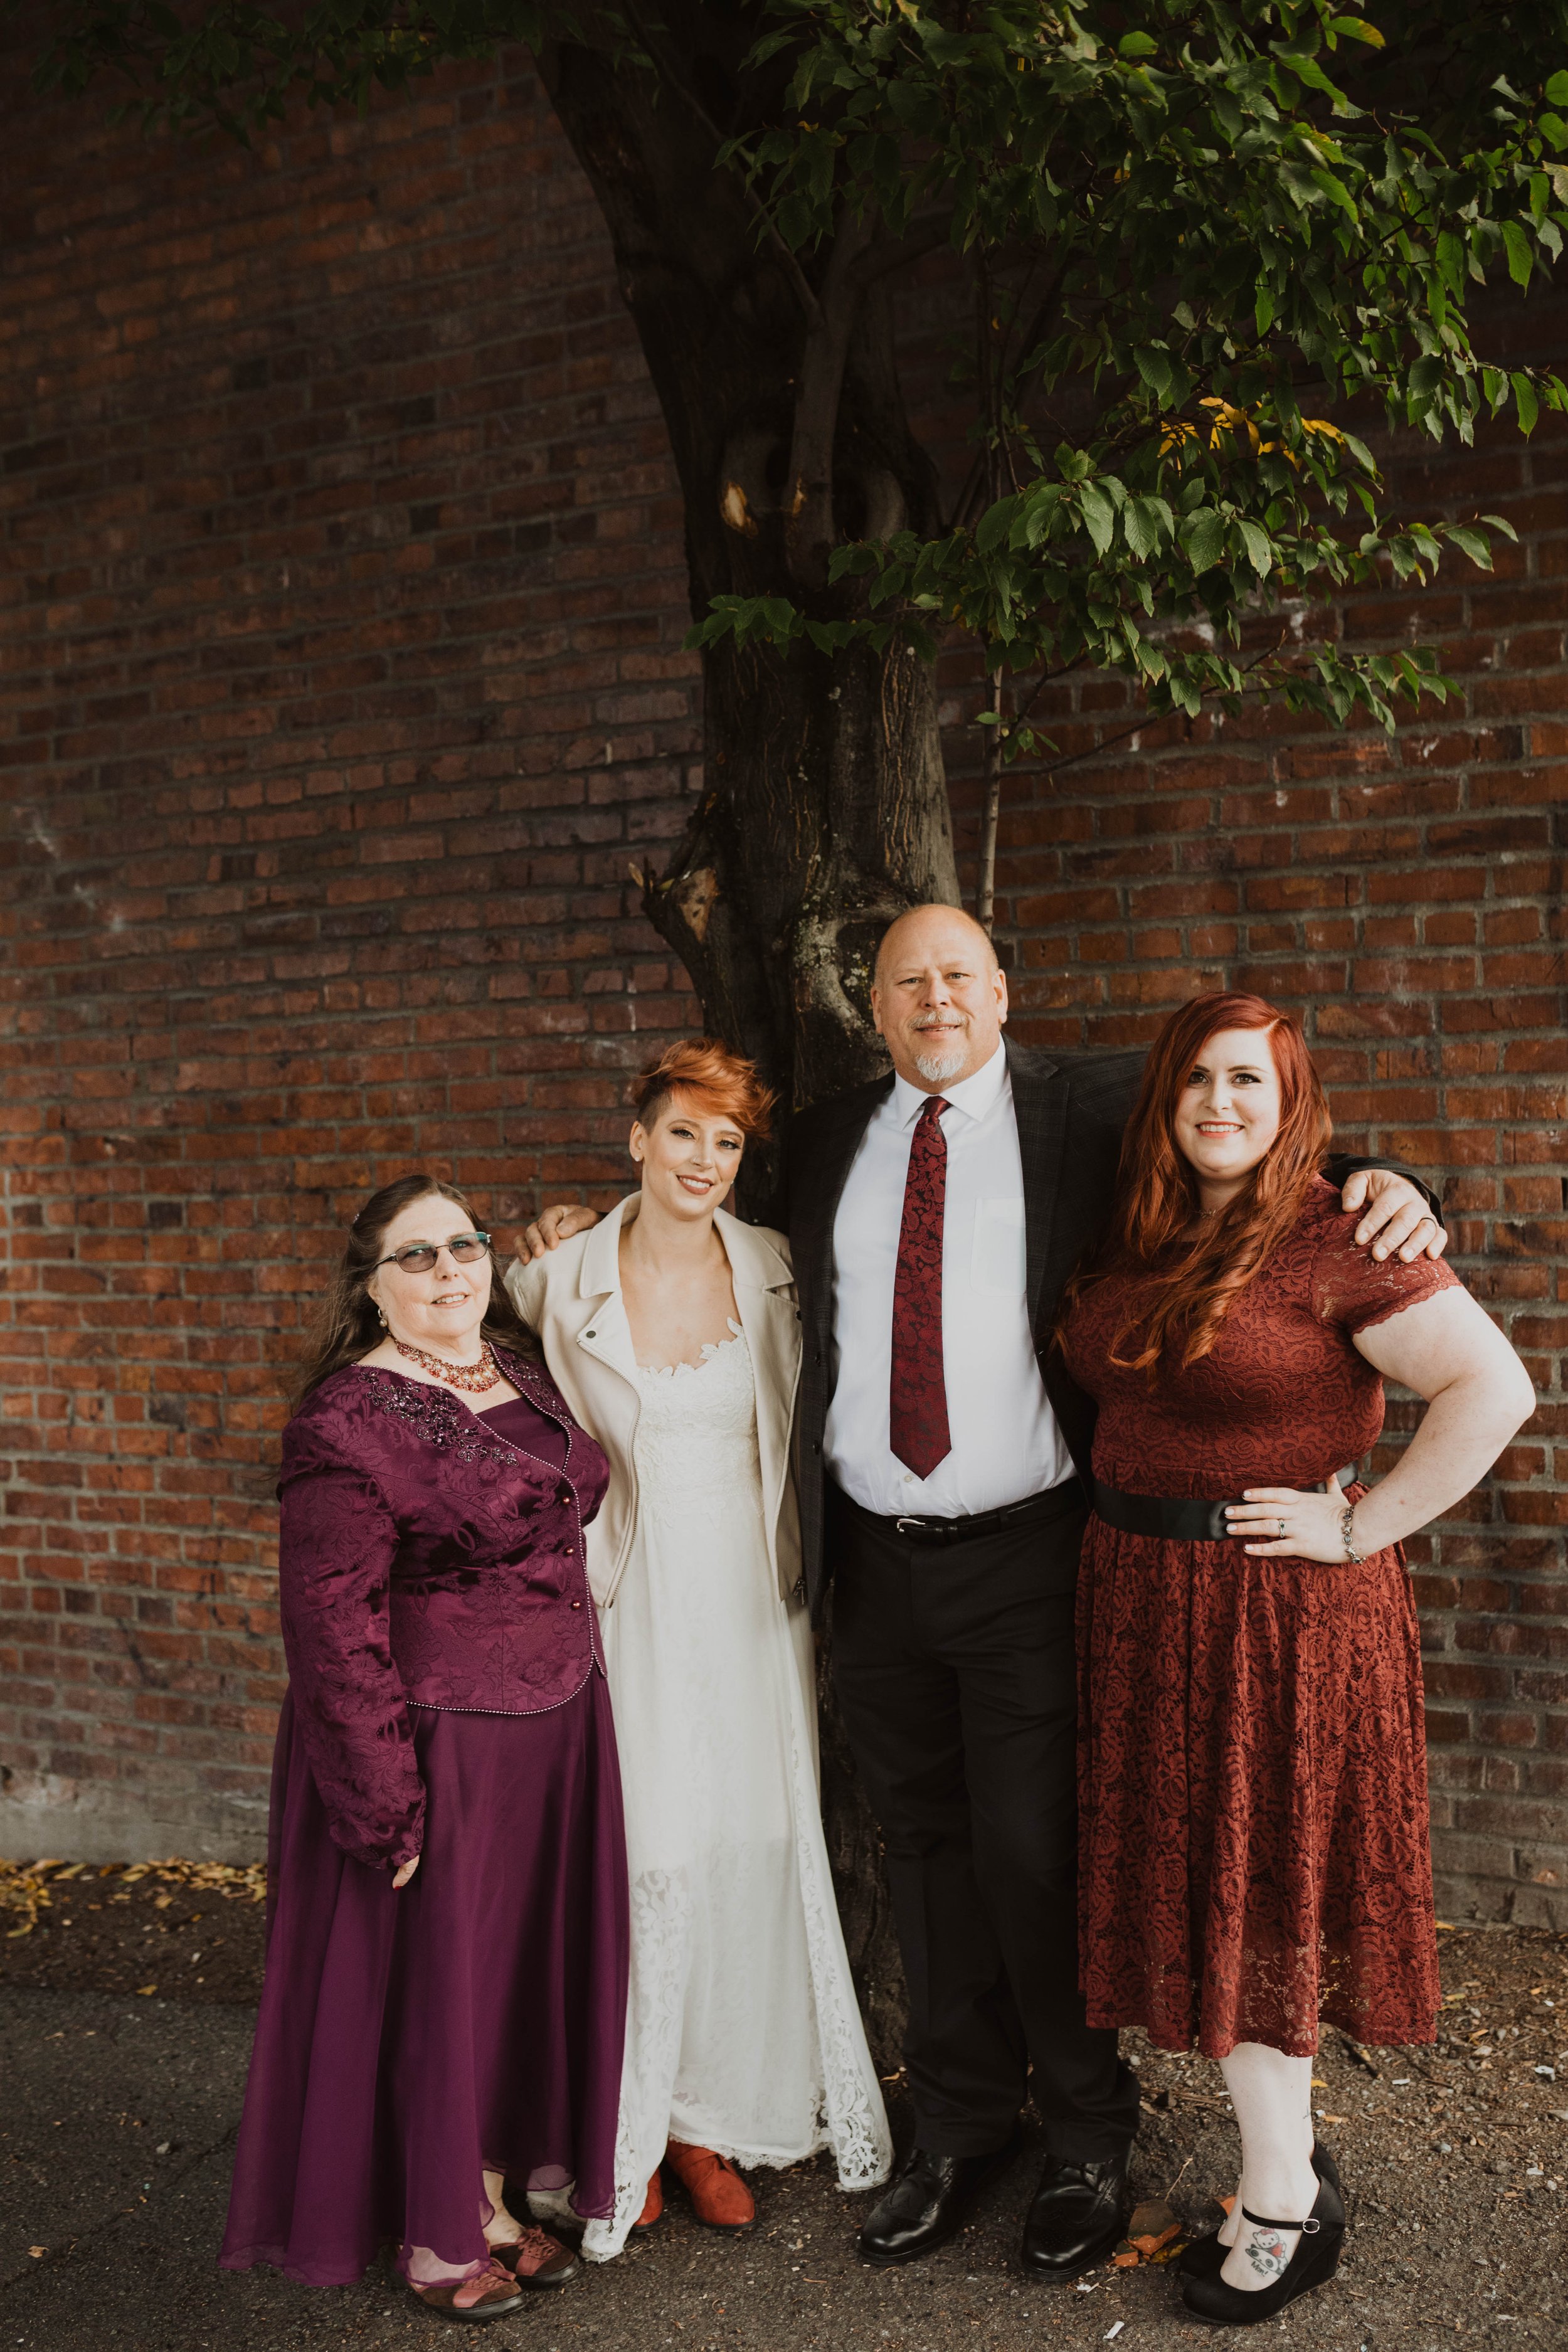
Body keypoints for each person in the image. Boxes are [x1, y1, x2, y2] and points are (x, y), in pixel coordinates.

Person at [522, 904, 1446, 2281]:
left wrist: (1395, 1185)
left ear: (1003, 993)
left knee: (1030, 1848)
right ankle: (960, 2124)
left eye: (958, 976)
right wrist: (557, 1238)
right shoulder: (831, 1137)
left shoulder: (1086, 1108)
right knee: (923, 1848)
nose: (935, 1000)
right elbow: (697, 1238)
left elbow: (1249, 1141)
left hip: (1031, 1551)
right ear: (877, 1009)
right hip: (869, 1559)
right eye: (907, 984)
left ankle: (1084, 2138)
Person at [1059, 992, 1533, 2324]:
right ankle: (1283, 2157)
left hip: (1277, 1613)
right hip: (1147, 1608)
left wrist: (1363, 1523)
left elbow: (1493, 1391)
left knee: (1259, 1886)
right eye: (1197, 1080)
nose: (1219, 1102)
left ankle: (1280, 2197)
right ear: (1163, 1101)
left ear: (1288, 1107)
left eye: (1249, 1085)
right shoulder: (1139, 1236)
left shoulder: (1341, 1237)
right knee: (1208, 1880)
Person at [221, 1177, 629, 2322]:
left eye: (464, 1243)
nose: (450, 1268)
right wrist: (382, 1802)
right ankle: (436, 2235)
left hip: (557, 1728)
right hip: (439, 1741)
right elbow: (331, 1628)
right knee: (442, 1987)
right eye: (417, 1255)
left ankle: (494, 2201)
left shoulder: (515, 1364)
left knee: (508, 1982)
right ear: (371, 1285)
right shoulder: (345, 1420)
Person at [508, 1041, 892, 2259]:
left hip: (751, 1598)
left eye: (726, 1144)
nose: (704, 1161)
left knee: (755, 1845)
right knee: (653, 1856)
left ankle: (710, 2122)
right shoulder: (552, 1280)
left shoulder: (774, 1270)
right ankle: (635, 2116)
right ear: (636, 1137)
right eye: (683, 1133)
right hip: (629, 1600)